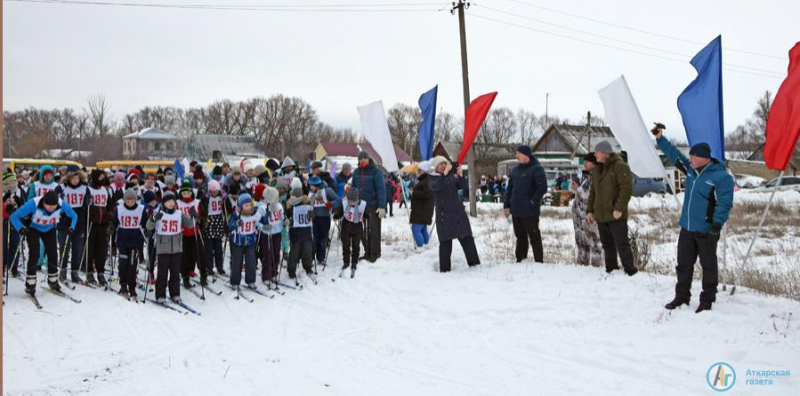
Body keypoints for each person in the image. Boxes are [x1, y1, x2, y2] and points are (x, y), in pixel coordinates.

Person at [654, 126, 734, 313]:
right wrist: (660, 138)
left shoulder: (721, 177)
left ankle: (707, 300)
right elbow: (674, 156)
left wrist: (716, 226)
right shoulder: (690, 170)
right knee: (683, 265)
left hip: (706, 230)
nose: (689, 159)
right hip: (687, 228)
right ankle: (681, 297)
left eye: (693, 156)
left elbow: (725, 203)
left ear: (702, 157)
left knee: (708, 266)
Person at [10, 191, 78, 295]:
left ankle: (53, 281)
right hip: (33, 229)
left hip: (49, 229)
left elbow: (74, 215)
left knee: (53, 253)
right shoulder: (33, 204)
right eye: (48, 206)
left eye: (53, 206)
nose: (51, 208)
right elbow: (14, 216)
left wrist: (72, 227)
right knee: (35, 253)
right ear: (43, 202)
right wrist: (20, 228)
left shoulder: (61, 203)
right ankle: (30, 283)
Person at [586, 140, 637, 276]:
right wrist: (590, 210)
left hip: (615, 214)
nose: (595, 155)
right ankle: (611, 269)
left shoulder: (620, 167)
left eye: (597, 152)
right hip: (601, 215)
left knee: (622, 244)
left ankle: (630, 271)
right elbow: (593, 192)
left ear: (604, 153)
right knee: (607, 245)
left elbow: (626, 190)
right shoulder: (597, 169)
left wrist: (619, 208)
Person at [428, 156, 480, 272]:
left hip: (458, 214)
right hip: (444, 216)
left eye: (444, 163)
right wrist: (444, 175)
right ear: (436, 166)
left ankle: (475, 265)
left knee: (467, 238)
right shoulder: (432, 178)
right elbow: (436, 187)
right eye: (440, 164)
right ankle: (445, 270)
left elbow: (463, 187)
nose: (443, 165)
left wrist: (461, 175)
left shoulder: (451, 177)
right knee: (446, 243)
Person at [146, 191, 193, 304]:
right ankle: (160, 295)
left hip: (176, 248)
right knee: (162, 273)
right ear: (163, 203)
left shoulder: (178, 213)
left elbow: (189, 225)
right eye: (168, 201)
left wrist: (192, 216)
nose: (171, 203)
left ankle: (175, 294)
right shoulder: (159, 213)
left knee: (175, 273)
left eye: (173, 201)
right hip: (163, 248)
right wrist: (153, 218)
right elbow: (148, 226)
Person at [503, 145, 548, 263]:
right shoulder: (515, 170)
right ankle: (520, 260)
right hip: (516, 210)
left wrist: (533, 201)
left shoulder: (537, 169)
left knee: (534, 237)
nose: (516, 156)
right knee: (520, 237)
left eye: (518, 153)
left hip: (530, 211)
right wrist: (506, 205)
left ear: (525, 155)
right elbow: (510, 189)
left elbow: (542, 187)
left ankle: (539, 261)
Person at [350, 151, 386, 262]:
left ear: (368, 159)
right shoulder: (356, 172)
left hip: (373, 205)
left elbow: (381, 189)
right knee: (362, 231)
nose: (362, 160)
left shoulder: (376, 172)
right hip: (360, 205)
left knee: (373, 230)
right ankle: (367, 252)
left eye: (364, 158)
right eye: (360, 158)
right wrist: (351, 201)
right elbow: (353, 188)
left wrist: (382, 206)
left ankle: (375, 254)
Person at [228, 193, 268, 290]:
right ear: (241, 206)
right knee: (237, 262)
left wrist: (266, 215)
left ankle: (250, 281)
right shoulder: (237, 214)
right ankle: (235, 282)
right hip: (238, 241)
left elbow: (264, 221)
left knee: (251, 262)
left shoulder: (254, 213)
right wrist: (237, 223)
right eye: (246, 205)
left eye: (250, 205)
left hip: (250, 241)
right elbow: (230, 226)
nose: (249, 207)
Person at [113, 189, 147, 299]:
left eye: (132, 201)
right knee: (123, 263)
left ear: (135, 200)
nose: (130, 203)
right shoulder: (119, 208)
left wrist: (148, 230)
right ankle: (123, 284)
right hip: (122, 239)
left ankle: (132, 286)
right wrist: (111, 227)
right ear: (124, 200)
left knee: (132, 264)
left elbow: (145, 222)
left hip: (135, 240)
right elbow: (114, 221)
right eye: (128, 201)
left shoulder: (141, 209)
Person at [55, 170, 88, 283]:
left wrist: (88, 201)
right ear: (69, 177)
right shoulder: (61, 187)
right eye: (73, 178)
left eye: (77, 178)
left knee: (77, 249)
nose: (75, 180)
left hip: (79, 221)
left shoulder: (84, 188)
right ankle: (63, 272)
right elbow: (53, 203)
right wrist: (58, 199)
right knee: (64, 248)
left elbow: (87, 203)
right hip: (64, 220)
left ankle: (75, 273)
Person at [571, 153, 603, 266]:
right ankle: (582, 263)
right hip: (580, 214)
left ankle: (596, 265)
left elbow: (590, 195)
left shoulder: (597, 176)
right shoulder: (586, 176)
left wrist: (578, 189)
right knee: (581, 240)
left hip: (589, 213)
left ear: (594, 163)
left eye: (587, 161)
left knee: (595, 240)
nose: (584, 163)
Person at [86, 169, 114, 286]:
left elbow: (110, 204)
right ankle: (89, 271)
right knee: (90, 248)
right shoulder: (88, 189)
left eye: (104, 177)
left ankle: (100, 272)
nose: (102, 179)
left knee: (102, 250)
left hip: (103, 223)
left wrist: (110, 213)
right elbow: (85, 205)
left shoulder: (105, 190)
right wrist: (90, 212)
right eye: (100, 177)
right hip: (92, 223)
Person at [176, 179, 205, 287]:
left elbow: (203, 217)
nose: (186, 195)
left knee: (199, 254)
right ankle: (185, 277)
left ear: (191, 193)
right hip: (183, 234)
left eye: (188, 193)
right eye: (184, 193)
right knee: (184, 256)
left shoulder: (196, 202)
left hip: (195, 232)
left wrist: (197, 216)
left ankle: (203, 275)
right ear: (181, 193)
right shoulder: (177, 203)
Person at [307, 176, 340, 267]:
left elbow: (337, 200)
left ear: (316, 185)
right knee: (314, 238)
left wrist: (330, 204)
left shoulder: (327, 190)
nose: (310, 187)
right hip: (314, 218)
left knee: (323, 238)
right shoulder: (310, 192)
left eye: (311, 185)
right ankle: (311, 257)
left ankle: (321, 257)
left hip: (324, 218)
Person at [285, 187, 315, 282]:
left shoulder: (307, 203)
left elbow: (311, 216)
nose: (292, 197)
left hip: (305, 232)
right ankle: (291, 270)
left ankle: (308, 267)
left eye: (293, 195)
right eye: (291, 196)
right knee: (294, 252)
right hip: (295, 233)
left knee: (307, 251)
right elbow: (287, 216)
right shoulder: (290, 206)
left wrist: (311, 214)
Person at [200, 180, 227, 277]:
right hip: (209, 221)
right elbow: (202, 206)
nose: (214, 193)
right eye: (213, 191)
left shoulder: (221, 196)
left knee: (218, 247)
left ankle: (219, 266)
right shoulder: (206, 198)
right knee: (209, 247)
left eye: (216, 191)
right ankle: (209, 267)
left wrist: (225, 197)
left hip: (218, 221)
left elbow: (226, 206)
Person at [258, 186, 284, 286]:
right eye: (276, 197)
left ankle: (273, 273)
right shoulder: (263, 208)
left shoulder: (279, 206)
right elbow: (257, 221)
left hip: (277, 233)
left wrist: (284, 221)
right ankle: (266, 275)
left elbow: (282, 216)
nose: (277, 199)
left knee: (276, 253)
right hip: (267, 235)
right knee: (268, 255)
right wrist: (263, 226)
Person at [340, 188, 366, 278]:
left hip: (357, 228)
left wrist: (367, 215)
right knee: (346, 245)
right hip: (346, 227)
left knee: (356, 246)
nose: (351, 202)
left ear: (357, 199)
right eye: (349, 200)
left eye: (353, 201)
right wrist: (337, 214)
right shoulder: (345, 202)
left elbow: (365, 212)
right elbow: (340, 211)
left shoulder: (362, 204)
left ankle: (354, 261)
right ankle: (346, 261)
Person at [3, 170, 25, 278]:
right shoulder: (3, 192)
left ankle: (14, 267)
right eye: (9, 182)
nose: (12, 184)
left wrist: (20, 203)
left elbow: (24, 205)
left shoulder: (19, 191)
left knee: (15, 244)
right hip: (4, 221)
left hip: (16, 221)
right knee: (3, 246)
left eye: (13, 181)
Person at [409, 161, 433, 248]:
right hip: (423, 210)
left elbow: (427, 194)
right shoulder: (425, 180)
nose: (418, 171)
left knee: (415, 229)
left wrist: (414, 193)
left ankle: (421, 247)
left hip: (421, 211)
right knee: (423, 229)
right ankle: (427, 246)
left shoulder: (426, 181)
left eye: (419, 170)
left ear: (424, 171)